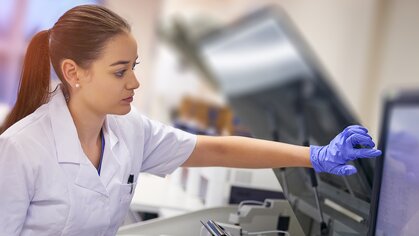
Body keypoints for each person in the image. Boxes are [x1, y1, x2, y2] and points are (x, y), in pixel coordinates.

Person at [0, 5, 381, 236]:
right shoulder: (22, 149)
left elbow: (215, 148)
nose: (135, 82)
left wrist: (313, 155)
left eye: (134, 67)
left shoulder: (129, 130)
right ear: (73, 72)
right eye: (119, 72)